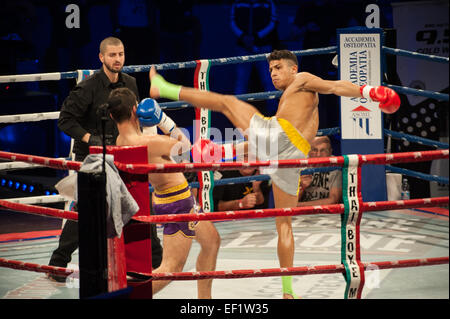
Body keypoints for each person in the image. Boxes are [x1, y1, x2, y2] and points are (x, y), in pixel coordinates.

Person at [146, 49, 400, 298]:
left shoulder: (302, 80)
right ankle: (287, 292)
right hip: (293, 156)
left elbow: (334, 86)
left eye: (278, 68)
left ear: (293, 69)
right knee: (284, 224)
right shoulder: (289, 100)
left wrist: (366, 91)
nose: (273, 74)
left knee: (228, 103)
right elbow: (273, 143)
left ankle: (165, 89)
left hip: (285, 144)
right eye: (270, 70)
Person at [48, 36, 163, 280]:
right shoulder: (88, 87)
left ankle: (155, 260)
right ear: (101, 57)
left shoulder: (130, 83)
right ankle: (58, 262)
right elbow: (65, 120)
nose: (117, 59)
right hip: (94, 157)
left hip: (123, 152)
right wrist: (91, 138)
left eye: (120, 54)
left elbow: (132, 119)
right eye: (112, 55)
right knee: (88, 210)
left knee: (138, 202)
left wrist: (139, 141)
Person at [108, 87, 221, 298]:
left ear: (112, 115)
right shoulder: (148, 142)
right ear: (135, 110)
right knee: (171, 269)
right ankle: (128, 297)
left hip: (172, 197)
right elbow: (184, 146)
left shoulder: (121, 142)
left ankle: (205, 301)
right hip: (177, 201)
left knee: (212, 241)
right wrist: (162, 119)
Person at [230, 0, 280, 114]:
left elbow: (272, 22)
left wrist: (256, 37)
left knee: (269, 80)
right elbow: (232, 22)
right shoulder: (237, 3)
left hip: (263, 47)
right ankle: (237, 112)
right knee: (241, 81)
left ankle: (274, 112)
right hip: (243, 48)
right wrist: (244, 37)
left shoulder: (268, 3)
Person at [298, 136, 342, 206]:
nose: (318, 154)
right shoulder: (300, 165)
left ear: (330, 152)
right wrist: (302, 187)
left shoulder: (336, 167)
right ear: (309, 151)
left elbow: (333, 200)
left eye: (323, 150)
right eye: (314, 150)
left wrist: (299, 205)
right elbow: (289, 201)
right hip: (301, 214)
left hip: (327, 213)